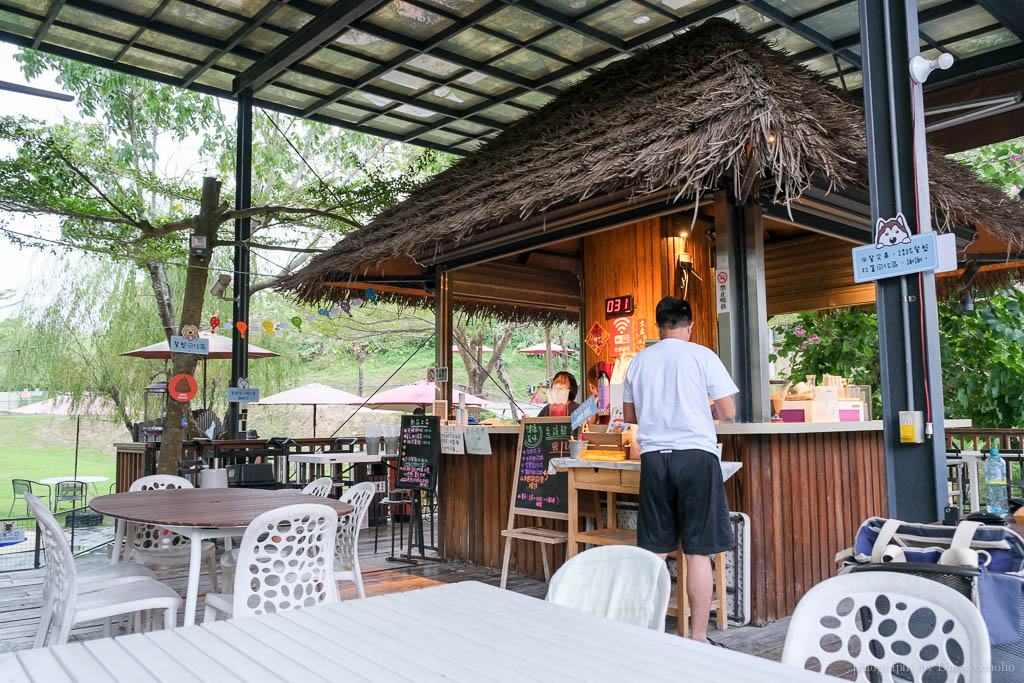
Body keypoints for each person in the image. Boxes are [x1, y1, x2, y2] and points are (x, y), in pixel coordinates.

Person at [622, 296, 737, 645]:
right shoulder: (702, 355)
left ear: (659, 326)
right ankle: (699, 637)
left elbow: (629, 417)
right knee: (698, 551)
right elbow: (728, 411)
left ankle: (646, 631)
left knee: (655, 549)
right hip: (696, 457)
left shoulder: (639, 361)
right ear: (689, 325)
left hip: (655, 459)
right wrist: (700, 410)